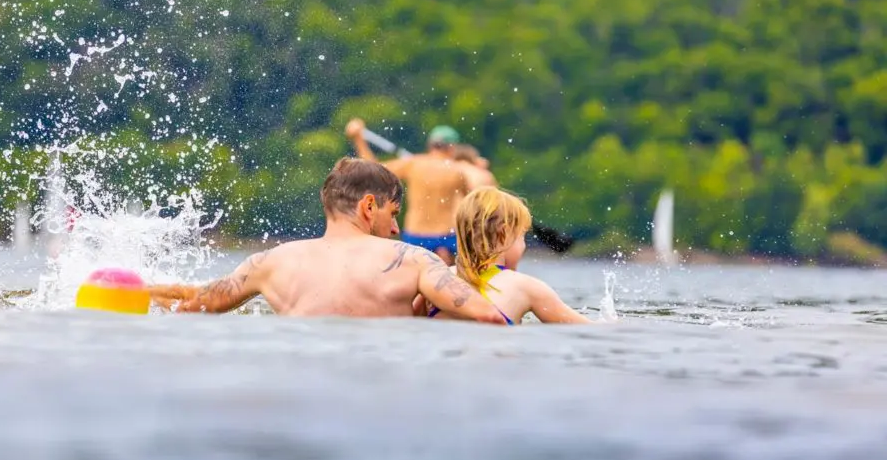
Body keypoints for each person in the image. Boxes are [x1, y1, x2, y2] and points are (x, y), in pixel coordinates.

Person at [148, 157, 509, 324]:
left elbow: (194, 304)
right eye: (393, 214)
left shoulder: (270, 262)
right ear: (370, 206)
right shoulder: (413, 260)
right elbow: (488, 317)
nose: (397, 228)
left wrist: (139, 292)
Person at [421, 186, 592, 324]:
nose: (523, 246)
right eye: (522, 237)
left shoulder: (437, 279)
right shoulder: (527, 287)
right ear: (504, 233)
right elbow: (588, 330)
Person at [345, 118, 468, 264]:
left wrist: (359, 139)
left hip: (416, 234)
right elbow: (467, 204)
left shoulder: (414, 164)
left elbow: (373, 171)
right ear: (452, 148)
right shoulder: (458, 171)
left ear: (430, 145)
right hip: (447, 236)